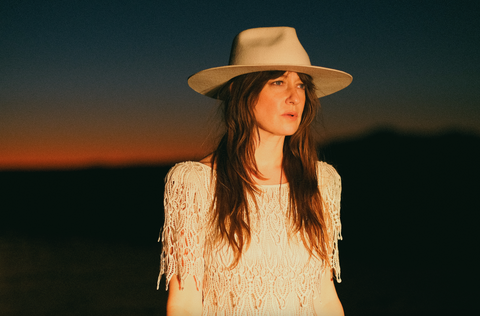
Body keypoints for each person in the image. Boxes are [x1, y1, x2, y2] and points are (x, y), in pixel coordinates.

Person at [158, 26, 352, 315]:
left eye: (301, 85)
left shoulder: (322, 180)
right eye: (278, 82)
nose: (295, 97)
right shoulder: (194, 182)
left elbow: (324, 296)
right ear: (241, 91)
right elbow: (185, 302)